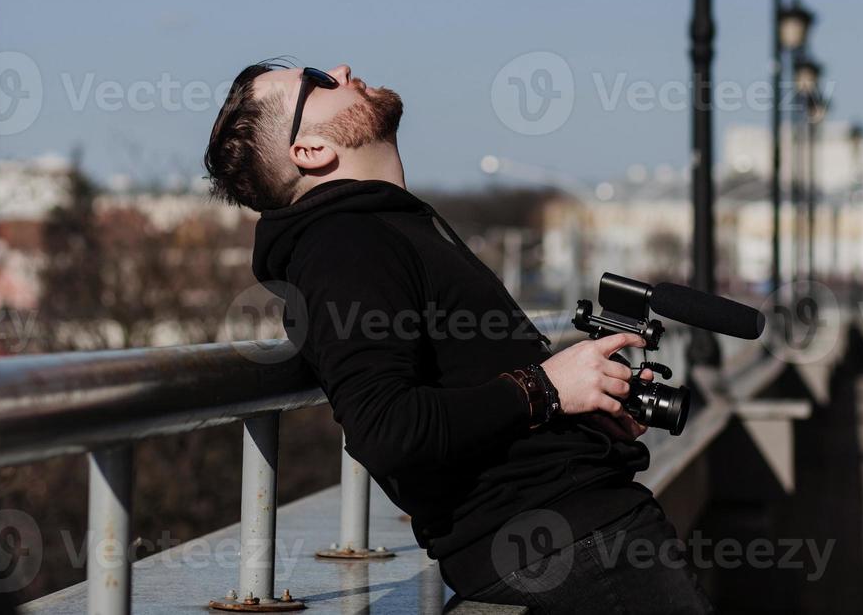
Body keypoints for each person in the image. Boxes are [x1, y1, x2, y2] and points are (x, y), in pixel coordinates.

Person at [204, 61, 712, 613]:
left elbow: (466, 388)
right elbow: (387, 428)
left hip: (579, 541)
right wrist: (545, 388)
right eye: (317, 82)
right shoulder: (343, 245)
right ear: (310, 150)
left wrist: (581, 405)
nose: (340, 69)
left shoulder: (380, 228)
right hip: (570, 554)